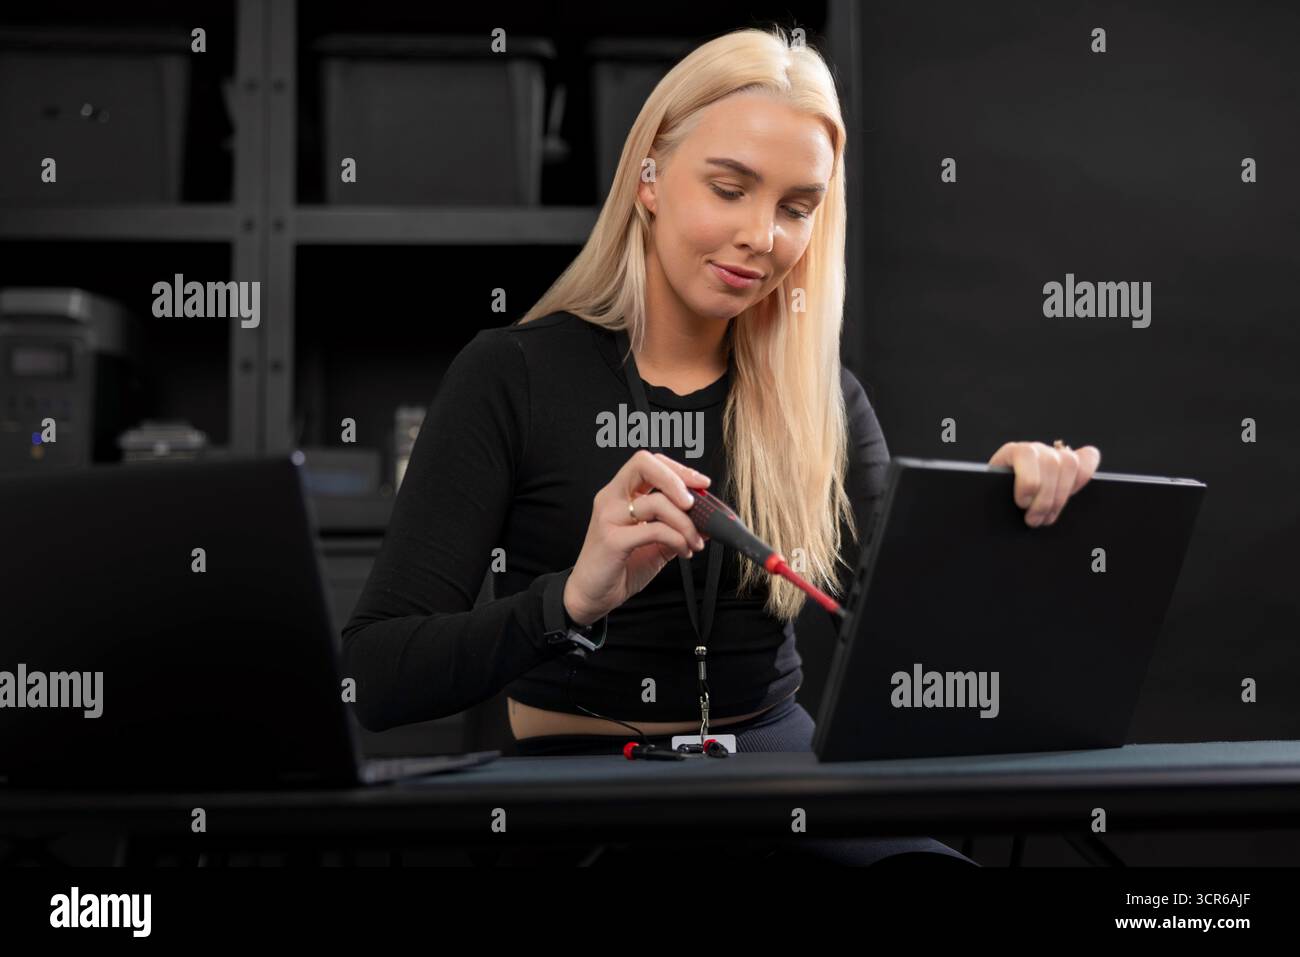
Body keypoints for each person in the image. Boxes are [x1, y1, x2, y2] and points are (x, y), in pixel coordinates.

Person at [342, 25, 1100, 866]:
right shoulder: (509, 374)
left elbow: (915, 632)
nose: (762, 236)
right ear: (650, 180)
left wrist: (994, 516)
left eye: (796, 207)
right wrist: (570, 602)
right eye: (730, 188)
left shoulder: (827, 401)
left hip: (780, 776)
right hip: (580, 792)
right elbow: (376, 677)